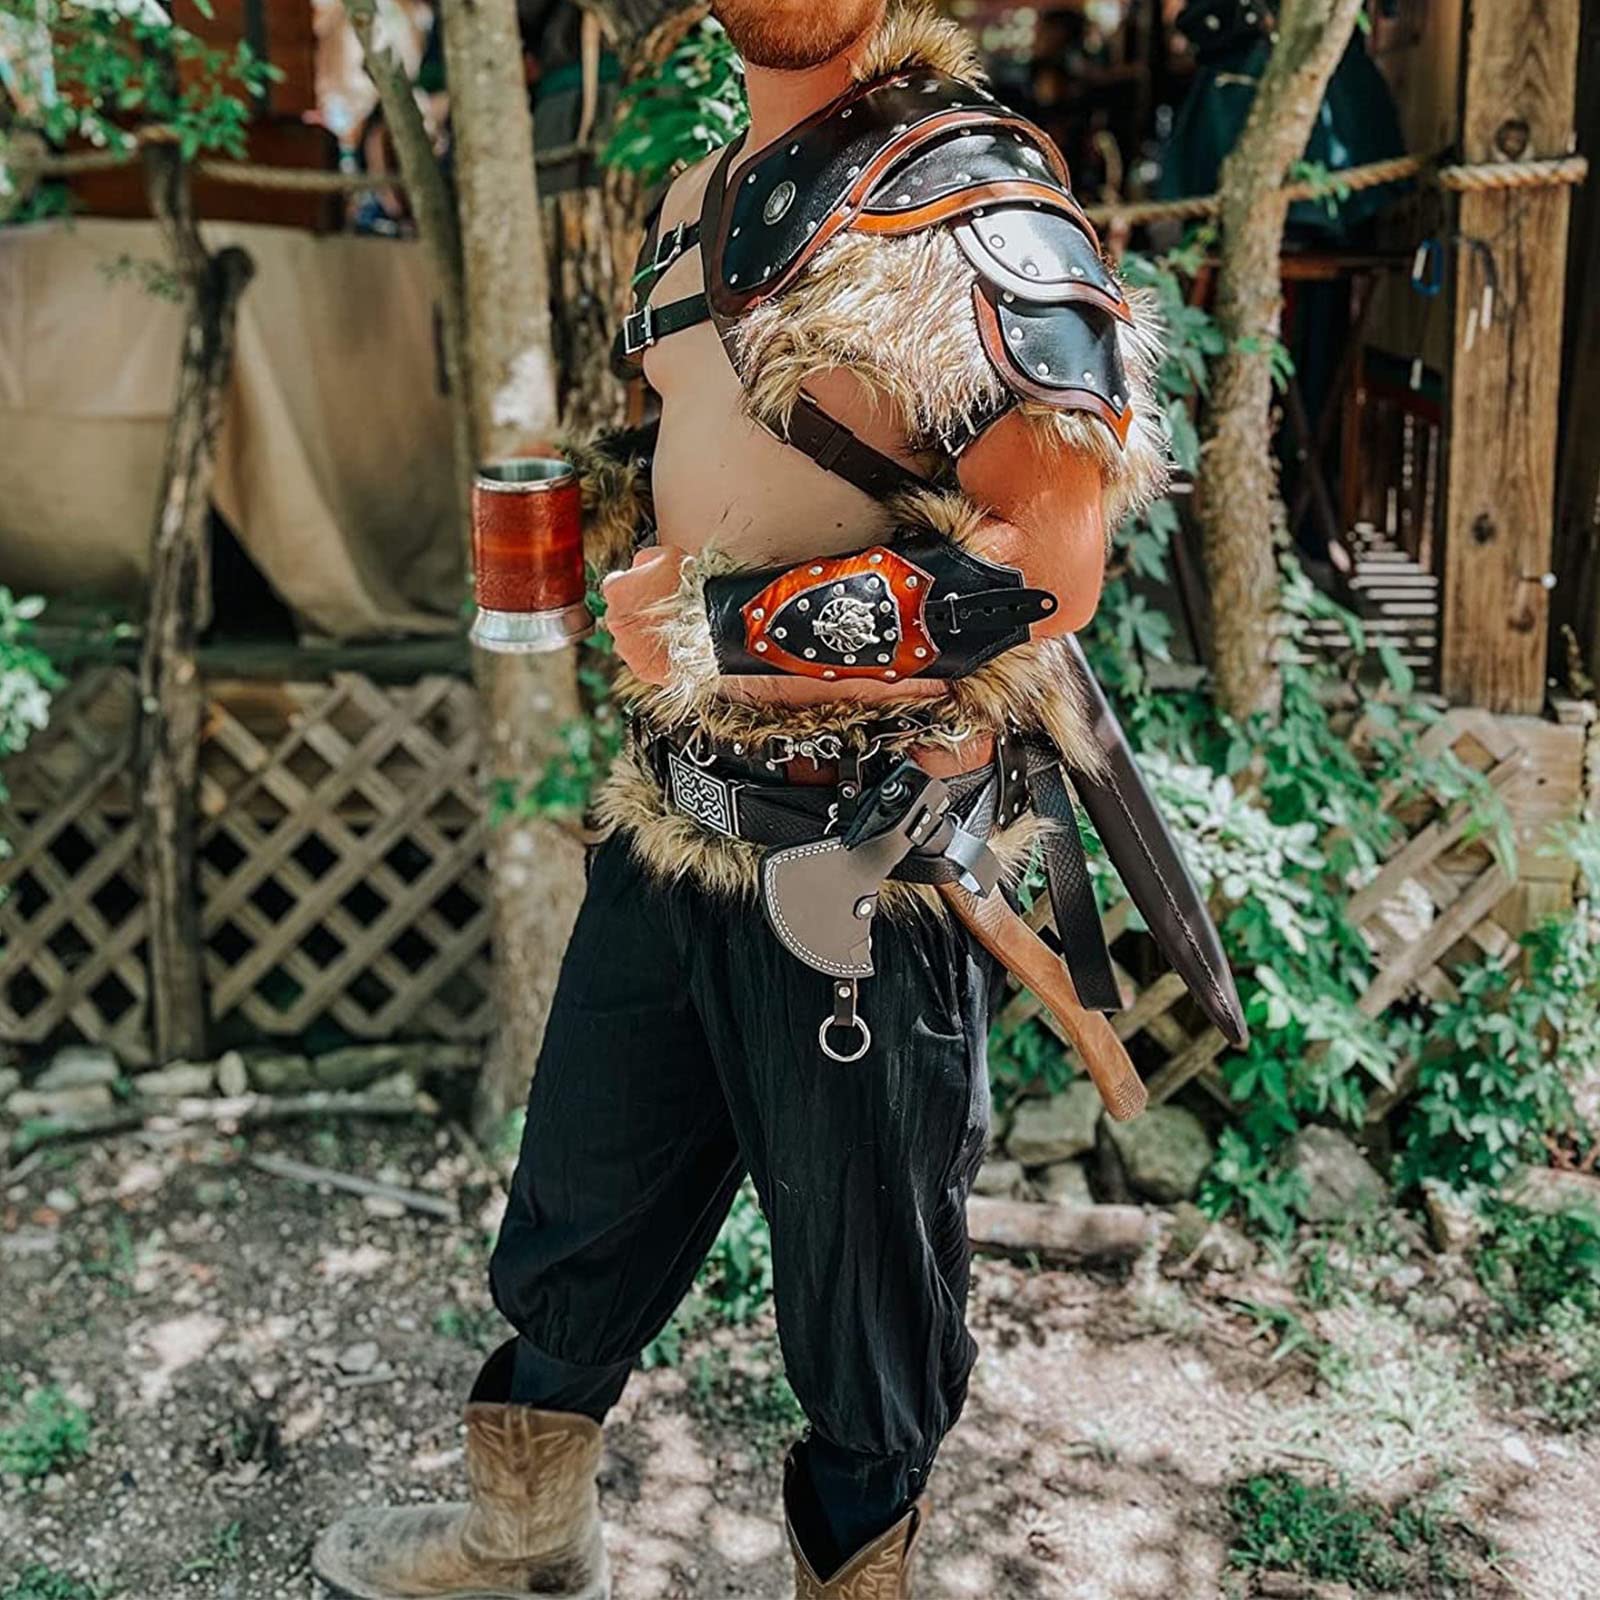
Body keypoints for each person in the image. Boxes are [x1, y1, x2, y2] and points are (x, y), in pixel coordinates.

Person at [313, 3, 1241, 1596]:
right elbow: (705, 449)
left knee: (868, 1319)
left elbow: (1050, 571)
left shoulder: (980, 209)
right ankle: (524, 1538)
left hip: (865, 863)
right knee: (577, 1216)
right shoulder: (693, 202)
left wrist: (720, 631)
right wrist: (613, 538)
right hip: (673, 825)